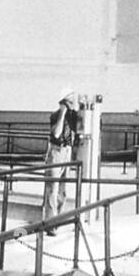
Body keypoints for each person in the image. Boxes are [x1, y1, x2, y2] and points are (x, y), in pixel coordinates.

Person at [44, 90, 82, 234]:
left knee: (62, 190)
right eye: (69, 102)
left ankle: (57, 220)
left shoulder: (73, 117)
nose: (73, 104)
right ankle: (50, 224)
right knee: (52, 188)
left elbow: (79, 130)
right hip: (56, 152)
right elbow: (56, 133)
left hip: (67, 152)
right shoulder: (55, 115)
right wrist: (62, 113)